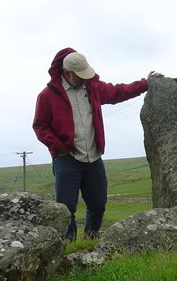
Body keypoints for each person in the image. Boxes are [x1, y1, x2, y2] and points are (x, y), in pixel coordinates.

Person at [33, 47, 162, 241]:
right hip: (67, 159)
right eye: (80, 76)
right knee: (66, 207)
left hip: (93, 157)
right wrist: (58, 146)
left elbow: (119, 91)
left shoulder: (93, 88)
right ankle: (68, 244)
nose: (85, 79)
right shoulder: (47, 96)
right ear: (67, 73)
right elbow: (40, 126)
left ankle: (91, 239)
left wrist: (146, 83)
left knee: (98, 203)